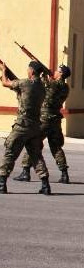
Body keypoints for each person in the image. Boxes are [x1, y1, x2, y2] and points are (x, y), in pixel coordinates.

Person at [15, 64, 71, 184]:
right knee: (56, 147)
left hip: (44, 118)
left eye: (58, 70)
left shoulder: (53, 83)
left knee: (32, 142)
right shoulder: (66, 87)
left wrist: (43, 75)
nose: (55, 72)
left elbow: (41, 85)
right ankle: (64, 173)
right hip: (56, 119)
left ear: (61, 74)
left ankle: (25, 171)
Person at [0, 60, 50, 195]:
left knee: (10, 152)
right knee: (36, 155)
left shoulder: (25, 83)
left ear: (32, 71)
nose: (27, 71)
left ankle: (2, 183)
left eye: (28, 69)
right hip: (35, 127)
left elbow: (5, 83)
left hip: (22, 125)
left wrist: (4, 71)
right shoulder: (42, 88)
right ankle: (45, 184)